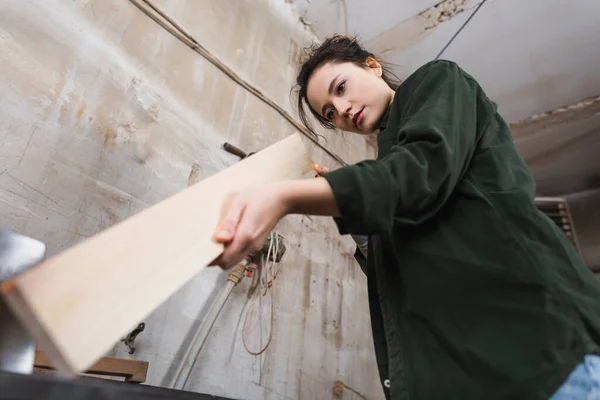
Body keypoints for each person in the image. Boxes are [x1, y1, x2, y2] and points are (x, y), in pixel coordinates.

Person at [211, 35, 600, 399]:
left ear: (372, 66)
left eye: (341, 88)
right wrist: (363, 229)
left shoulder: (436, 81)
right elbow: (404, 269)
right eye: (330, 113)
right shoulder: (390, 164)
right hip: (482, 374)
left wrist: (285, 196)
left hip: (545, 351)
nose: (343, 111)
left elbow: (418, 173)